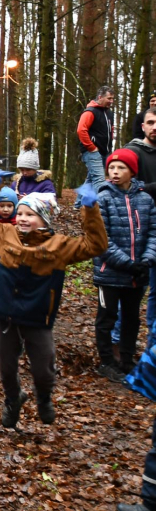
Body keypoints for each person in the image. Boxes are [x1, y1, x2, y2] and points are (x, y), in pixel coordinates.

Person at [0, 172, 106, 428]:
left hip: (38, 315)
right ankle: (13, 399)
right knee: (7, 367)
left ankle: (44, 397)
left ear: (43, 219)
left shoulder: (59, 246)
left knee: (43, 368)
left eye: (29, 215)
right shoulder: (4, 234)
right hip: (5, 313)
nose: (22, 218)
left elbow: (95, 245)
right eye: (20, 213)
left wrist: (90, 210)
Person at [93, 149, 156, 383]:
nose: (115, 172)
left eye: (121, 168)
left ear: (132, 171)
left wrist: (146, 261)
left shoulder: (146, 199)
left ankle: (127, 359)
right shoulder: (103, 198)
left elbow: (153, 232)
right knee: (107, 317)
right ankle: (107, 361)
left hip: (137, 274)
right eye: (112, 168)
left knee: (131, 317)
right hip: (109, 273)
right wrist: (127, 264)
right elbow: (101, 239)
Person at [127, 108, 156, 350]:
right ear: (143, 125)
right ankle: (119, 345)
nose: (155, 127)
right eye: (151, 122)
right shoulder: (133, 152)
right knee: (132, 292)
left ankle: (152, 345)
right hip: (140, 230)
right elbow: (128, 188)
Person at [77, 85, 116, 191]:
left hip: (104, 151)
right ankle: (102, 205)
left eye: (112, 98)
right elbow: (81, 130)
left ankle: (78, 205)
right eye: (109, 98)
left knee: (90, 180)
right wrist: (91, 147)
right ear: (100, 97)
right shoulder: (90, 112)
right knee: (99, 180)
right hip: (92, 152)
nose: (111, 101)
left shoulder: (109, 113)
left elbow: (110, 130)